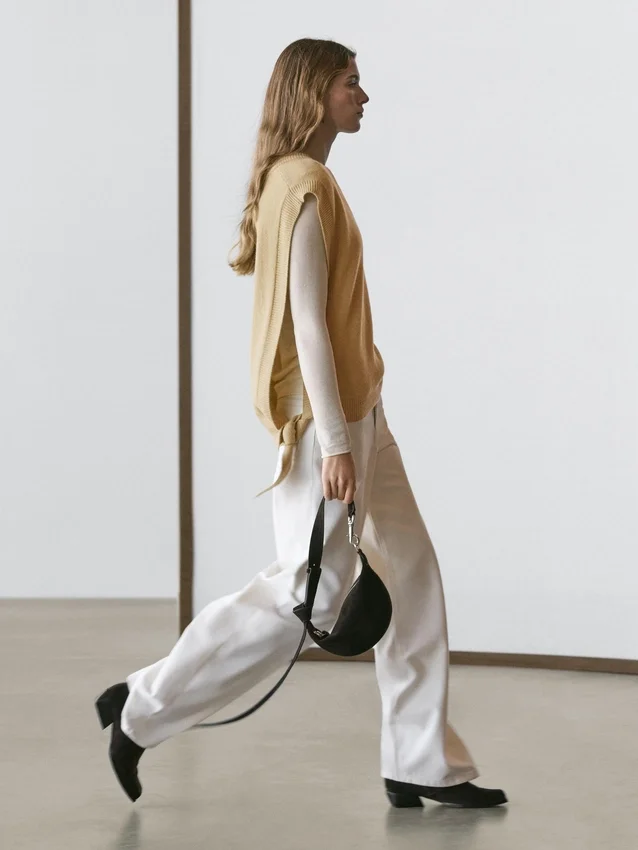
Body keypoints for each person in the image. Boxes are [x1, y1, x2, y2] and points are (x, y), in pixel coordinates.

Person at [95, 37, 508, 810]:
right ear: (316, 92)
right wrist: (338, 443)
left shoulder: (305, 179)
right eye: (352, 81)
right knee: (306, 594)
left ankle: (420, 759)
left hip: (360, 411)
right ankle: (141, 708)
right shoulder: (304, 184)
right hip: (330, 425)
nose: (363, 95)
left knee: (411, 572)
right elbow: (308, 326)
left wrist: (360, 425)